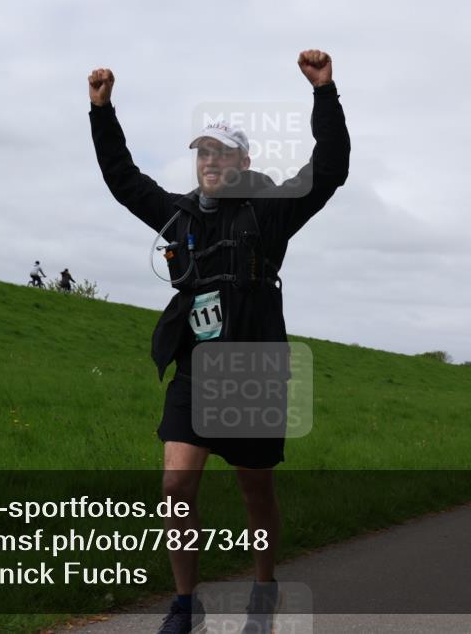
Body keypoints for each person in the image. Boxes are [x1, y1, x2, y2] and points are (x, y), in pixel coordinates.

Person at [88, 49, 349, 634]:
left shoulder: (271, 211)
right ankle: (186, 605)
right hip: (195, 369)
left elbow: (330, 168)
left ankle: (263, 590)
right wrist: (102, 111)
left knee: (256, 492)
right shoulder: (179, 215)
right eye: (202, 152)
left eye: (220, 152)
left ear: (242, 161)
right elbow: (123, 180)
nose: (208, 160)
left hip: (251, 373)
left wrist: (324, 93)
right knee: (175, 484)